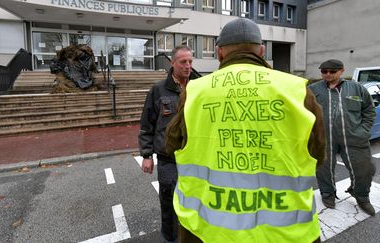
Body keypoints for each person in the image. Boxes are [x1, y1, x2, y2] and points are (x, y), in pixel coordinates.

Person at [165, 18, 325, 243]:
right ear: (261, 51)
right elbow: (317, 156)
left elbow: (172, 146)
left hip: (207, 230)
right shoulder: (296, 90)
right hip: (285, 232)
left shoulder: (195, 91)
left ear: (219, 53)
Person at [138, 45, 193, 243]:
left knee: (194, 204)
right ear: (172, 63)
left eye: (190, 61)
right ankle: (170, 240)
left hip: (194, 160)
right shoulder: (158, 90)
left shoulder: (198, 87)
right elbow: (147, 123)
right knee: (169, 205)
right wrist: (146, 155)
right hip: (168, 160)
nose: (188, 66)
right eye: (183, 62)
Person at [309, 59, 376, 216]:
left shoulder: (356, 88)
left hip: (354, 138)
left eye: (332, 71)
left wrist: (364, 130)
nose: (328, 75)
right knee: (323, 169)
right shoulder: (312, 90)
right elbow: (303, 111)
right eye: (324, 71)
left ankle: (361, 196)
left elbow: (369, 111)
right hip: (323, 139)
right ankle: (328, 194)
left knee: (365, 169)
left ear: (341, 71)